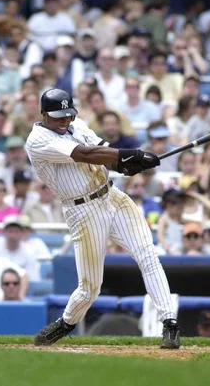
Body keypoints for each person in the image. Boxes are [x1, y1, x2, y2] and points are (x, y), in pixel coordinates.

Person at [26, 88, 179, 348]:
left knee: (148, 256)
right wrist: (130, 154)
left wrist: (128, 165)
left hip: (112, 196)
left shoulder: (78, 125)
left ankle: (170, 323)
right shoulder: (37, 140)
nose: (64, 121)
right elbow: (84, 154)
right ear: (43, 114)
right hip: (83, 211)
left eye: (67, 115)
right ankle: (66, 322)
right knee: (90, 289)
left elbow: (102, 150)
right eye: (57, 116)